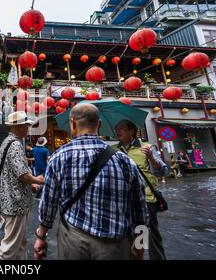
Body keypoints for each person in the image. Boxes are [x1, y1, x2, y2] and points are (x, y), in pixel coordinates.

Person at [34, 104, 149, 260]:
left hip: (72, 239)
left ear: (72, 123)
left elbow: (49, 202)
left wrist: (41, 235)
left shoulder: (58, 157)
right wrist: (141, 244)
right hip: (115, 243)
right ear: (99, 125)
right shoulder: (123, 160)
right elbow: (140, 209)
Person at [114, 119, 168, 260]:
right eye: (116, 129)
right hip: (122, 200)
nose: (118, 131)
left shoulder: (147, 147)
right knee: (126, 235)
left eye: (121, 128)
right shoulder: (113, 150)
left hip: (146, 198)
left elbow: (162, 171)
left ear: (131, 131)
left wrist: (151, 157)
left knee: (147, 234)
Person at [0, 111, 44, 260]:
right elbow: (22, 175)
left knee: (20, 245)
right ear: (21, 126)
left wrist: (31, 183)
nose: (28, 129)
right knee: (8, 248)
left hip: (14, 199)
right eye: (27, 126)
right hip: (16, 201)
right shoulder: (15, 144)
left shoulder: (8, 141)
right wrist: (38, 180)